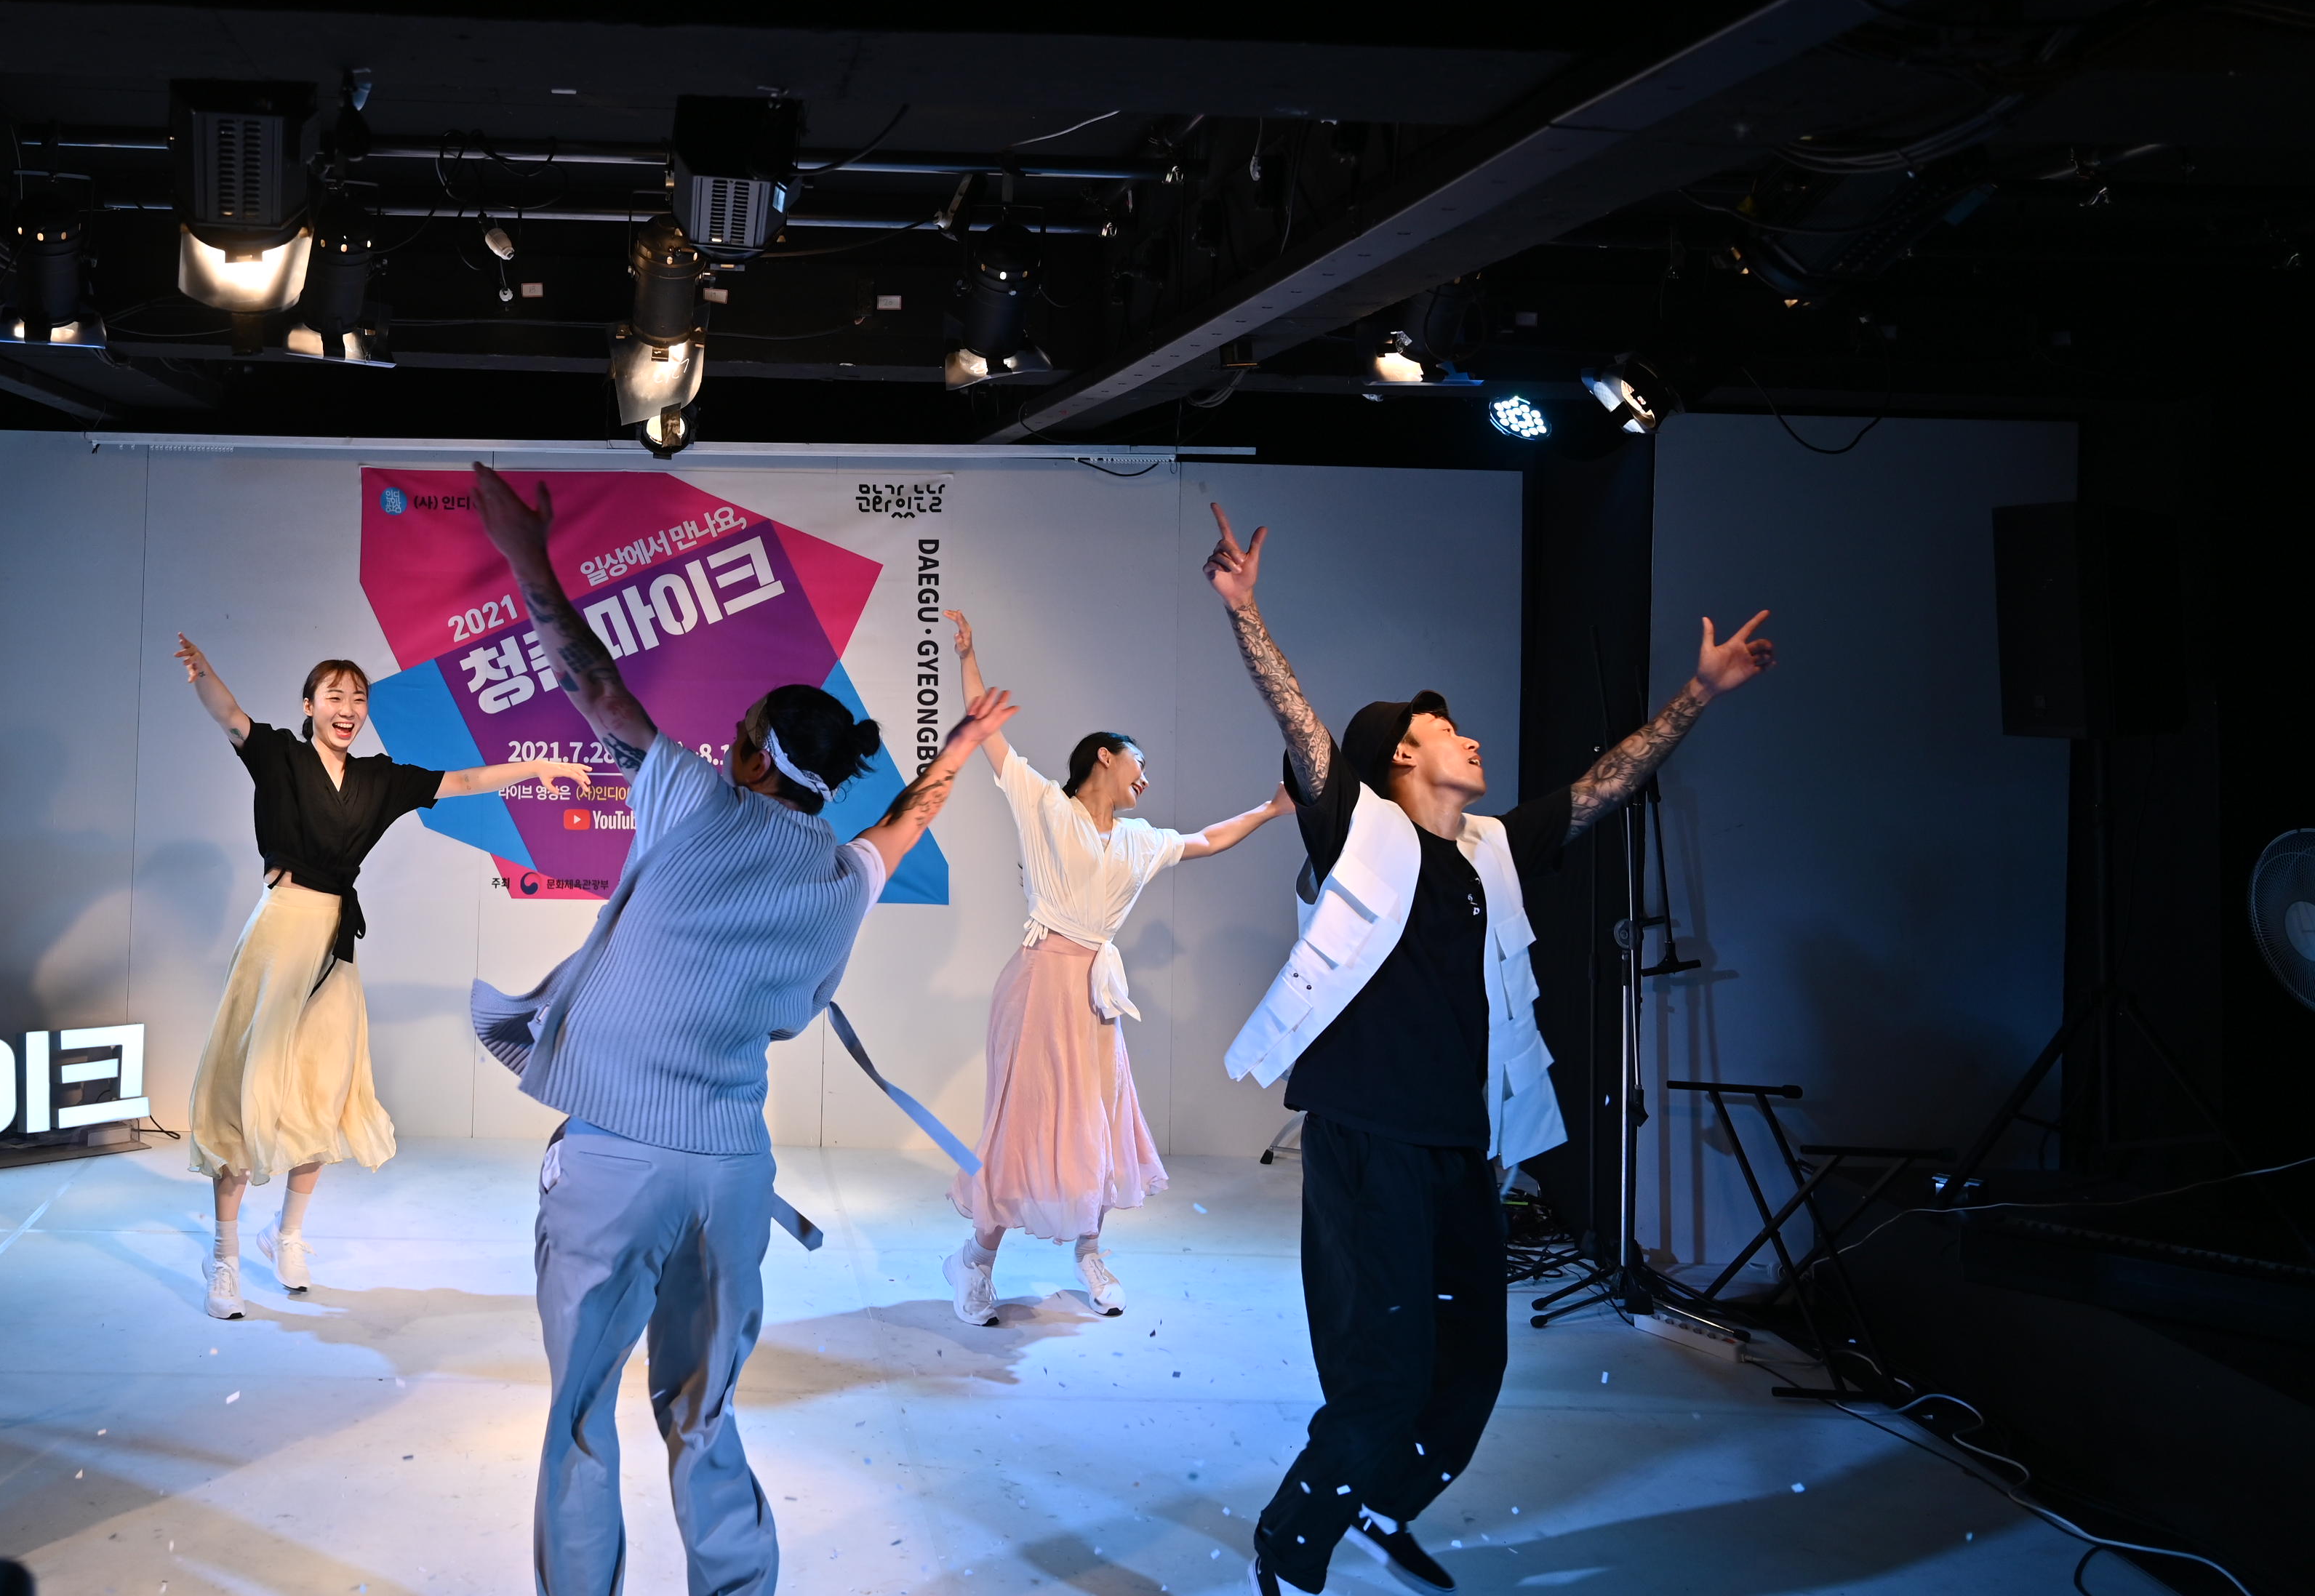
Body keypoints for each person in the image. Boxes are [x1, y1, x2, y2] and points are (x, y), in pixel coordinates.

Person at [461, 462, 1017, 1596]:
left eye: (742, 730)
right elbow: (907, 821)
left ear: (755, 756)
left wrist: (524, 554)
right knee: (703, 1412)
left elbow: (593, 680)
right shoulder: (843, 875)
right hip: (730, 1177)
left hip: (617, 1163)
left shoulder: (691, 798)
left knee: (582, 1418)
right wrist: (959, 746)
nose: (727, 738)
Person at [1201, 501, 1776, 1596]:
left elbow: (1607, 785)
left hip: (1460, 1149)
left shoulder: (1491, 850)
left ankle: (1385, 1504)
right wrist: (1245, 611)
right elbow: (1301, 723)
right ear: (1400, 755)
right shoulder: (1356, 830)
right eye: (1444, 727)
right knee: (1386, 1369)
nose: (1468, 737)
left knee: (1472, 1366)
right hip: (1368, 1138)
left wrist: (1697, 695)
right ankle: (1292, 1539)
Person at [175, 633, 593, 1319]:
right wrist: (205, 673)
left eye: (358, 698)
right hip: (279, 935)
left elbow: (460, 783)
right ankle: (223, 1256)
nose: (348, 709)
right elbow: (230, 717)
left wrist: (537, 767)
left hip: (333, 945)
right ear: (309, 706)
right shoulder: (280, 756)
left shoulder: (377, 780)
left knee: (324, 1087)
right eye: (334, 696)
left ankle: (288, 1236)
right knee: (247, 1089)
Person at [937, 606, 1294, 1324]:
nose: (1146, 779)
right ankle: (975, 1259)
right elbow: (992, 740)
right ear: (1105, 756)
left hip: (1094, 994)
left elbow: (1205, 840)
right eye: (1140, 764)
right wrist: (969, 658)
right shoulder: (1045, 806)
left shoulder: (1138, 839)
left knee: (1097, 1119)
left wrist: (1269, 808)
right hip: (1040, 980)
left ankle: (1090, 1253)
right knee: (1022, 1121)